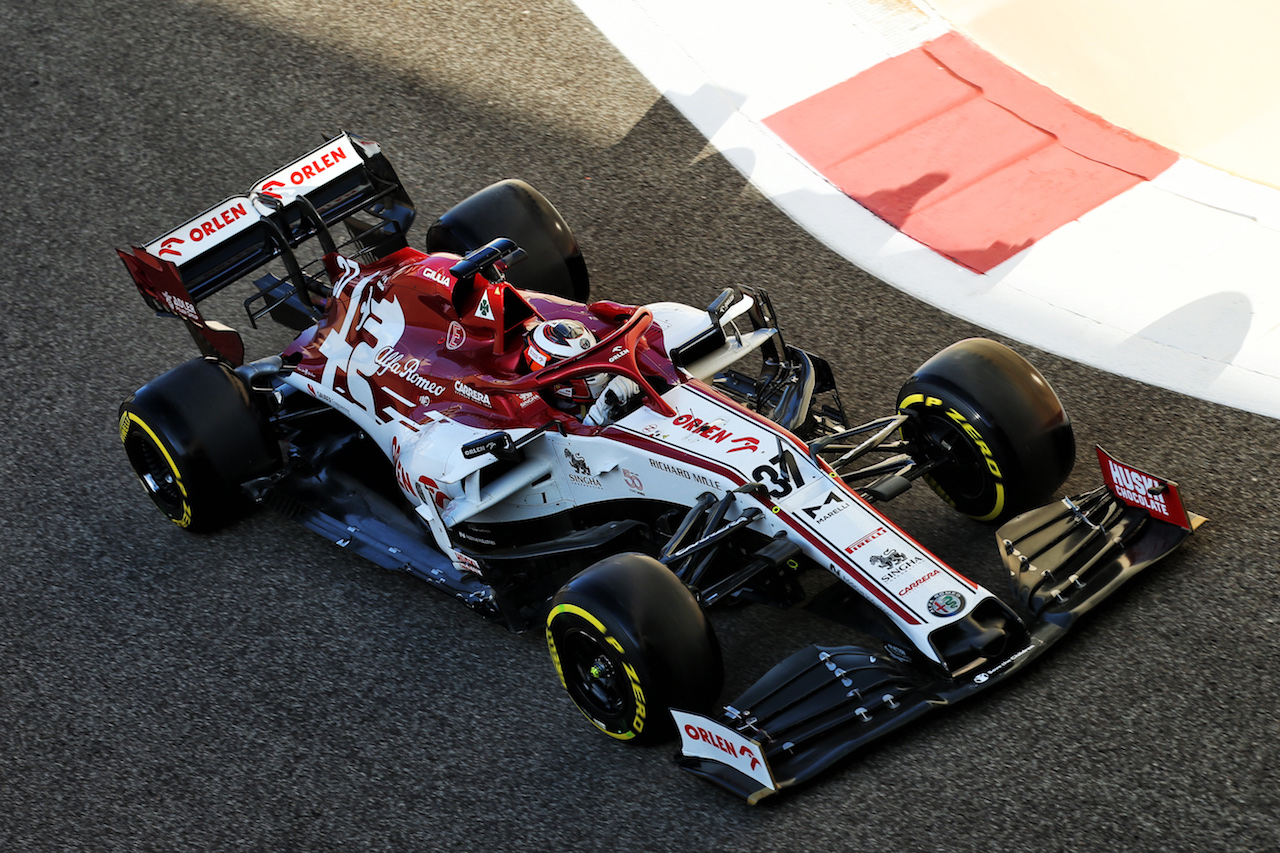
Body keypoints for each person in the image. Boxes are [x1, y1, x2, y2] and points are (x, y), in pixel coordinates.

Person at [522, 319, 639, 425]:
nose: (591, 367)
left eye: (591, 357)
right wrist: (598, 414)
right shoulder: (539, 414)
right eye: (577, 366)